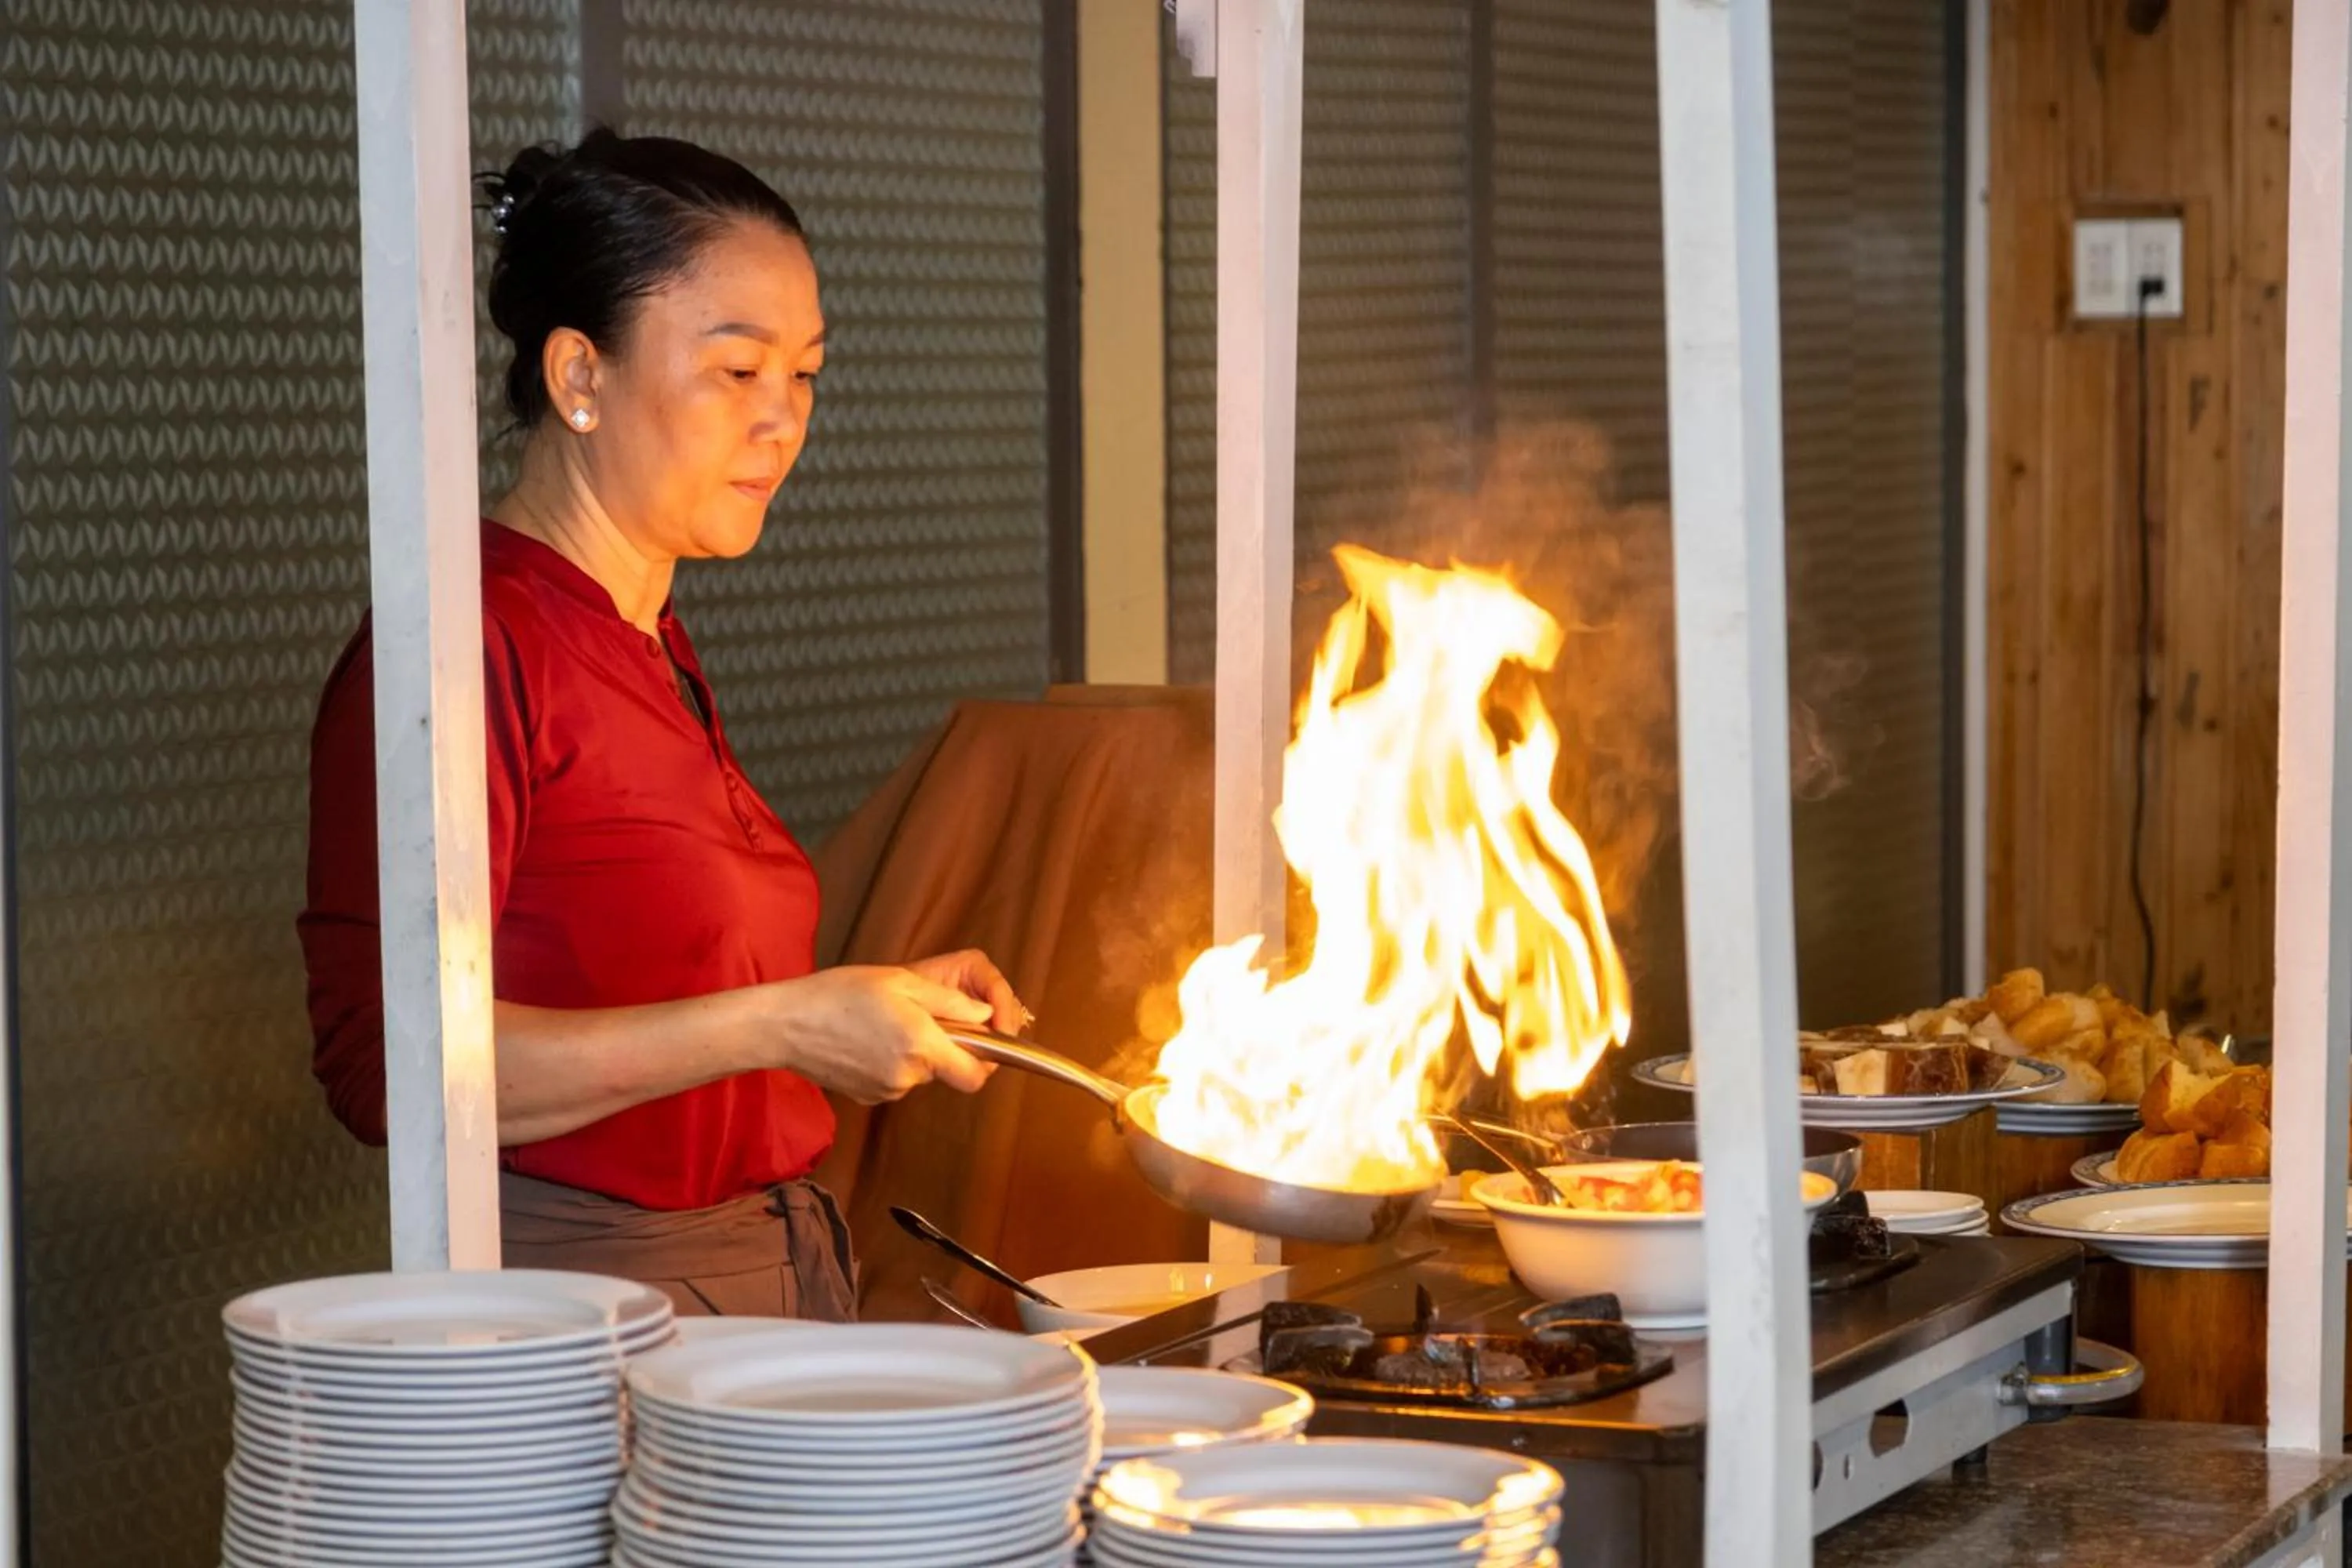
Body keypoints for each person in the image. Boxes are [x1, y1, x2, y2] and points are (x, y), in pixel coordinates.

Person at [299, 129, 1021, 1320]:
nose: (784, 420)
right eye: (738, 371)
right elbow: (394, 1064)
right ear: (580, 376)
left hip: (756, 1281)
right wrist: (783, 1023)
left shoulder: (647, 633)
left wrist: (857, 1008)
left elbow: (638, 963)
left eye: (806, 374)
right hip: (590, 1315)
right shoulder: (468, 643)